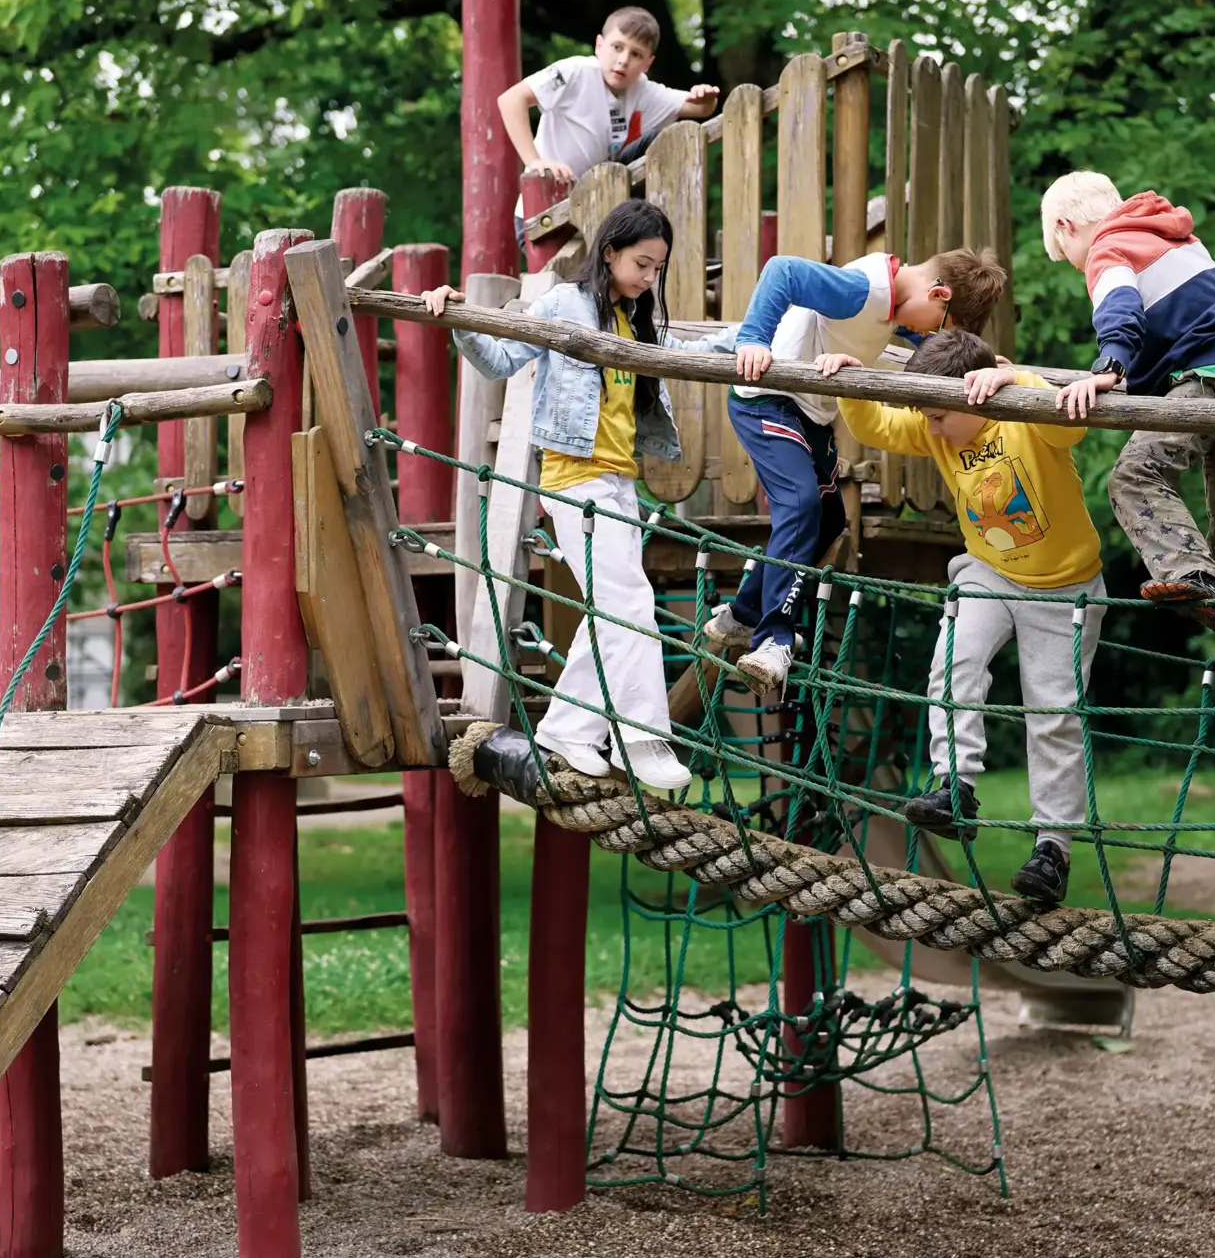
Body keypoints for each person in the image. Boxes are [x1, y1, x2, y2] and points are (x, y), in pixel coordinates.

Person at [420, 199, 707, 791]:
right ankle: (642, 739)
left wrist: (755, 346)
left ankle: (566, 731)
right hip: (576, 481)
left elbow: (686, 354)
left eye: (658, 269)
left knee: (612, 611)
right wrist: (459, 322)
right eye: (642, 264)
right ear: (609, 252)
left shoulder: (637, 320)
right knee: (629, 605)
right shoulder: (564, 306)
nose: (650, 278)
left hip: (620, 485)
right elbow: (500, 360)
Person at [814, 328, 1105, 903]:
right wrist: (849, 380)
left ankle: (1053, 848)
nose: (930, 425)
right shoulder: (937, 426)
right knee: (954, 663)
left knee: (1052, 712)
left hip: (1065, 587)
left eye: (938, 414)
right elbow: (875, 426)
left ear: (978, 392)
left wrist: (1013, 376)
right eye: (926, 413)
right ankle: (955, 786)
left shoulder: (1023, 416)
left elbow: (1072, 422)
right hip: (989, 570)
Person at [704, 247, 1011, 696]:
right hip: (770, 400)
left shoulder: (897, 302)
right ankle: (774, 639)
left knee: (829, 521)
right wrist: (753, 339)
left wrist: (981, 363)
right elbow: (783, 270)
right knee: (801, 505)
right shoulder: (864, 290)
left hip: (809, 410)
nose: (929, 334)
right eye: (941, 326)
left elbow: (926, 343)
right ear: (939, 293)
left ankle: (745, 614)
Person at [1040, 172, 1215, 684]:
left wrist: (1109, 366)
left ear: (1067, 227)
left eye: (1063, 252)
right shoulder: (1171, 235)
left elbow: (1120, 306)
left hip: (1205, 382)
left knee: (1134, 476)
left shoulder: (1108, 247)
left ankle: (1190, 576)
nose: (1075, 265)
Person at [498, 7, 719, 186]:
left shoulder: (642, 89)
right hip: (549, 201)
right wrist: (535, 162)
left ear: (647, 63)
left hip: (597, 205)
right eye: (617, 47)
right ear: (599, 46)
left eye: (636, 54)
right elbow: (511, 99)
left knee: (659, 140)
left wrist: (706, 96)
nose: (623, 60)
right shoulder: (576, 72)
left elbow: (700, 109)